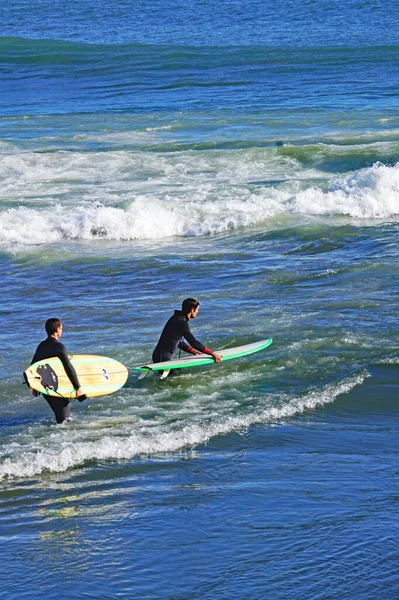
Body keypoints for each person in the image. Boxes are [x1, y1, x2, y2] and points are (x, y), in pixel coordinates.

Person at [31, 318, 84, 424]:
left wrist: (34, 386)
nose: (62, 331)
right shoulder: (58, 346)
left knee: (59, 416)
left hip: (46, 389)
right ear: (57, 329)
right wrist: (78, 387)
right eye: (61, 328)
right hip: (58, 387)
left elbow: (32, 366)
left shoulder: (41, 346)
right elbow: (68, 367)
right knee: (64, 421)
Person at [152, 298, 222, 365]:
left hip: (158, 356)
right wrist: (213, 353)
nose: (197, 312)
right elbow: (194, 342)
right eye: (197, 309)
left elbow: (176, 341)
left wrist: (192, 350)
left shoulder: (175, 318)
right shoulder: (182, 323)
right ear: (192, 310)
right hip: (163, 359)